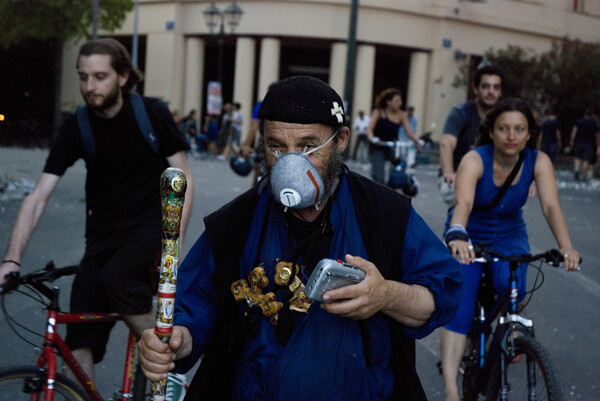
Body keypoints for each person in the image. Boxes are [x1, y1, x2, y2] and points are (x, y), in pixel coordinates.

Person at [137, 75, 462, 401]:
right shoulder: (236, 222)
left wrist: (386, 295)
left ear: (341, 140)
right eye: (276, 146)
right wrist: (173, 342)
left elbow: (441, 294)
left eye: (308, 146)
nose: (290, 163)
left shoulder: (386, 215)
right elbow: (194, 312)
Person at [0, 38, 194, 393]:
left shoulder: (150, 113)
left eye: (100, 76)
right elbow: (39, 195)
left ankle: (170, 364)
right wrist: (11, 260)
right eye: (84, 77)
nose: (90, 86)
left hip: (151, 228)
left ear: (122, 76)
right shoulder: (78, 126)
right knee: (77, 339)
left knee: (116, 277)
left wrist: (174, 246)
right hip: (102, 239)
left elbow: (182, 179)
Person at [439, 98, 580, 401]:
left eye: (519, 129)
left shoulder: (538, 161)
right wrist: (458, 236)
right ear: (492, 131)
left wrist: (566, 247)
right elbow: (462, 203)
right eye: (503, 129)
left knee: (511, 283)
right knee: (461, 309)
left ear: (530, 133)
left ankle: (510, 330)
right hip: (469, 232)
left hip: (509, 232)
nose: (511, 136)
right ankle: (451, 387)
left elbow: (550, 206)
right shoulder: (475, 160)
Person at [439, 64, 504, 206]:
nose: (491, 92)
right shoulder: (461, 113)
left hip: (491, 178)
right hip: (458, 175)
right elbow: (446, 143)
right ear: (475, 88)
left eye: (496, 87)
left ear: (500, 91)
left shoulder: (505, 117)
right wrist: (449, 172)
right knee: (463, 201)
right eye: (486, 86)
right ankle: (457, 227)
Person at [366, 88, 422, 185]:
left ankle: (395, 185)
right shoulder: (379, 112)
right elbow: (370, 128)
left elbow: (409, 132)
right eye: (397, 100)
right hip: (378, 146)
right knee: (379, 176)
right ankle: (379, 185)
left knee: (402, 164)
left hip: (392, 146)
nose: (400, 103)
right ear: (389, 102)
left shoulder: (401, 114)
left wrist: (418, 141)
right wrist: (372, 138)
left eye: (400, 100)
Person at [569, 107, 598, 181]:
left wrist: (572, 140)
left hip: (579, 142)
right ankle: (583, 175)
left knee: (578, 157)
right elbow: (596, 134)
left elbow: (574, 132)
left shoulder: (579, 121)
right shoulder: (593, 123)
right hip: (589, 143)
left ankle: (576, 169)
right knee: (586, 159)